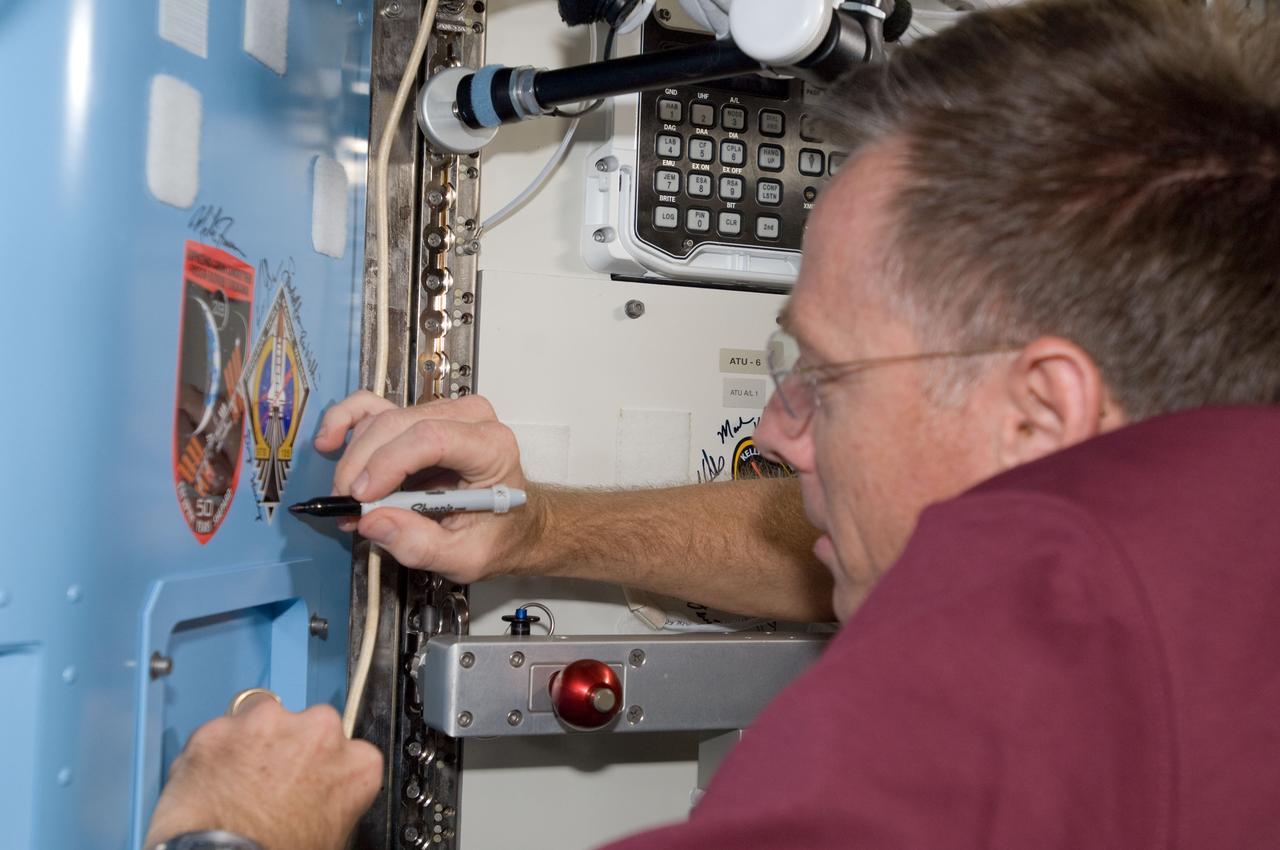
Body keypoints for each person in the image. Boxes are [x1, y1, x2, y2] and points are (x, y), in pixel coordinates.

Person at [145, 0, 1280, 848]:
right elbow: (895, 521)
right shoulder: (1215, 543)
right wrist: (533, 527)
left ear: (1040, 410)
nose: (780, 434)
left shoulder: (980, 739)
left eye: (824, 378)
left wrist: (240, 833)